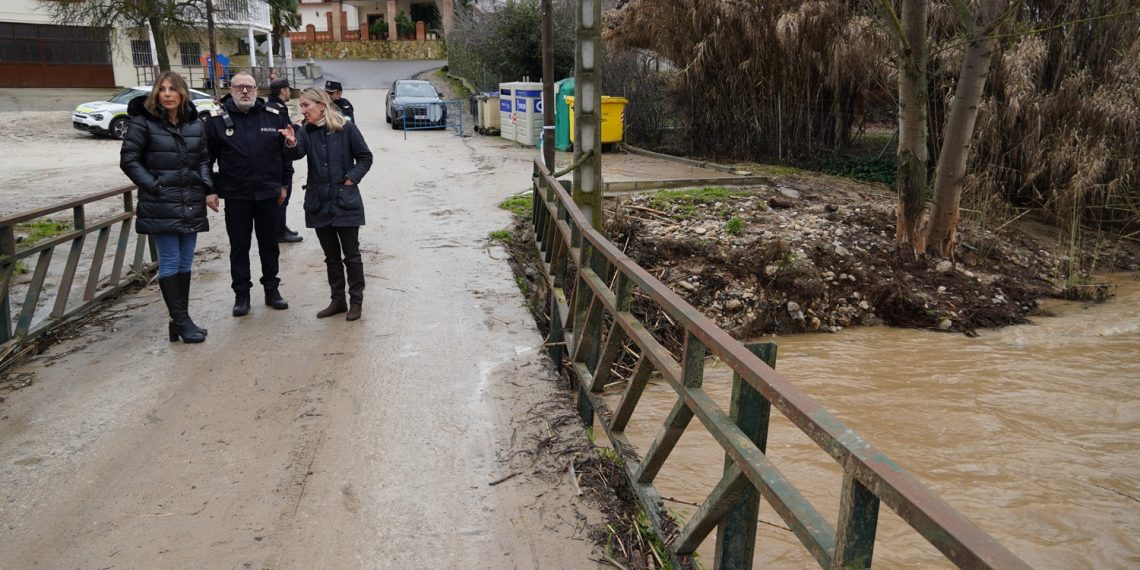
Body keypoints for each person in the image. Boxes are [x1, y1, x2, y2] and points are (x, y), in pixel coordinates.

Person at [120, 71, 219, 343]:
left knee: (186, 260)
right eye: (162, 89)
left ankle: (180, 321)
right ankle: (181, 321)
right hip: (161, 201)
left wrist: (208, 189)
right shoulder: (143, 122)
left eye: (172, 89)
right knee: (171, 260)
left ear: (182, 93)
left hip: (190, 200)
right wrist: (154, 185)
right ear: (156, 93)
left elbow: (202, 161)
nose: (167, 94)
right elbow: (129, 160)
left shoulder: (194, 124)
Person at [204, 71, 304, 317]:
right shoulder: (216, 120)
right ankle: (242, 294)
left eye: (249, 87)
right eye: (239, 87)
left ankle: (272, 289)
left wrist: (284, 185)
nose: (245, 91)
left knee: (269, 245)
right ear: (231, 89)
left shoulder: (273, 116)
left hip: (269, 194)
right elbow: (205, 159)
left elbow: (285, 156)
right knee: (239, 247)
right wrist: (209, 190)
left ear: (257, 90)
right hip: (237, 196)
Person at [297, 87, 373, 321]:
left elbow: (365, 157)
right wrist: (290, 140)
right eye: (301, 106)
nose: (303, 110)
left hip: (345, 201)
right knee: (331, 257)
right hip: (319, 201)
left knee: (351, 255)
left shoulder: (345, 127)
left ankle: (356, 301)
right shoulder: (305, 131)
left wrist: (351, 178)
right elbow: (295, 154)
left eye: (306, 105)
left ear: (322, 105)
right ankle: (337, 300)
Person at [267, 77, 303, 244]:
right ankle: (278, 232)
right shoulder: (277, 109)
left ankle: (280, 227)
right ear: (283, 91)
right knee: (282, 196)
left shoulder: (272, 107)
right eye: (288, 89)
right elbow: (282, 133)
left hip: (277, 159)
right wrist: (298, 127)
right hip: (280, 160)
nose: (289, 92)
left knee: (283, 196)